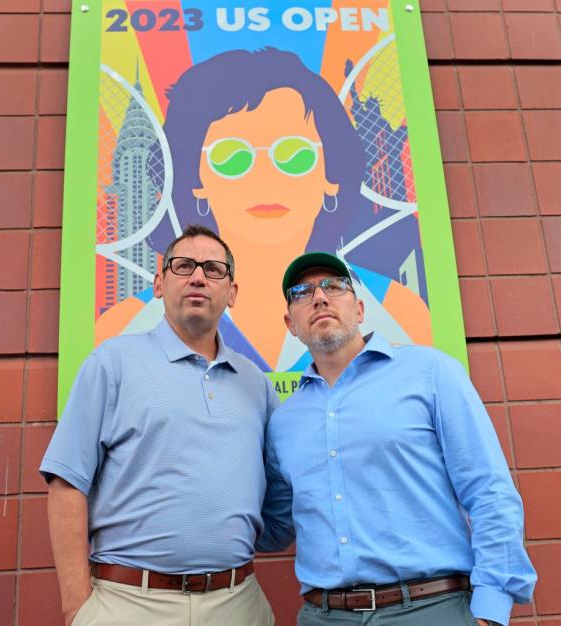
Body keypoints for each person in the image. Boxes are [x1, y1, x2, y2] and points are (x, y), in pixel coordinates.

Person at [100, 47, 432, 370]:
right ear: (195, 179)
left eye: (294, 154)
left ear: (331, 173)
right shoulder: (126, 326)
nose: (265, 179)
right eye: (232, 157)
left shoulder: (399, 312)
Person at [257, 251, 537, 626]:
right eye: (302, 292)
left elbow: (489, 491)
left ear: (358, 309)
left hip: (432, 607)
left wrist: (491, 608)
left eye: (333, 286)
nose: (319, 297)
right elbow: (275, 527)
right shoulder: (284, 422)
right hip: (325, 615)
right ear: (291, 324)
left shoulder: (431, 373)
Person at [40, 225, 279, 626]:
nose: (198, 276)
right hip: (130, 604)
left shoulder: (256, 382)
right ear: (158, 283)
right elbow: (66, 482)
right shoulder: (111, 363)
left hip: (238, 603)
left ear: (232, 293)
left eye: (214, 269)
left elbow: (276, 490)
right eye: (183, 265)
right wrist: (77, 607)